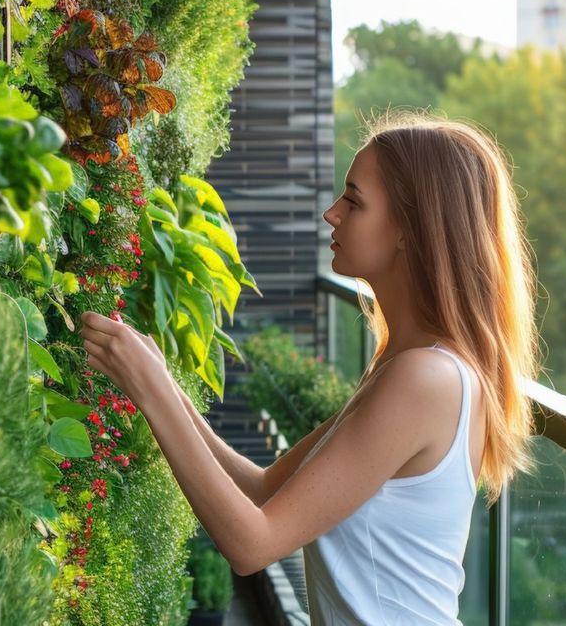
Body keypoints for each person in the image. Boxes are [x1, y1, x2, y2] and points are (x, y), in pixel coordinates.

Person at [79, 116, 540, 625]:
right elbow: (265, 488)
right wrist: (163, 384)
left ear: (411, 229)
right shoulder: (408, 365)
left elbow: (253, 544)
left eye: (354, 201)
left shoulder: (426, 379)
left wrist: (153, 394)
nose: (331, 213)